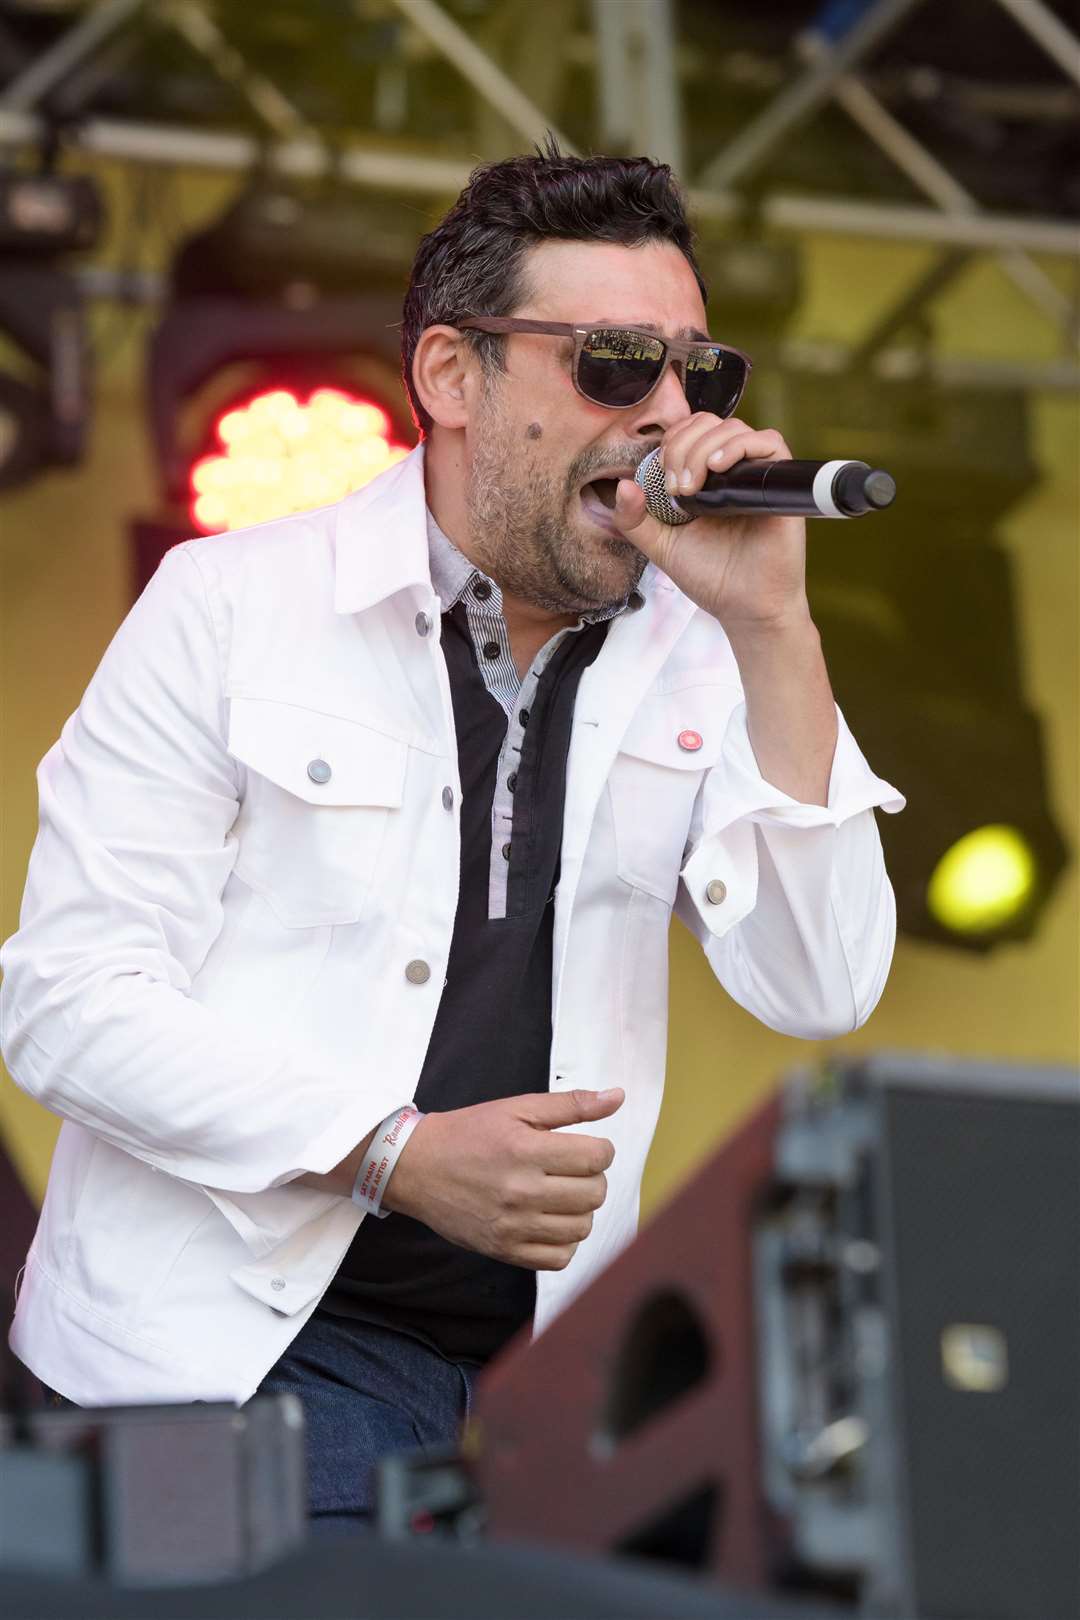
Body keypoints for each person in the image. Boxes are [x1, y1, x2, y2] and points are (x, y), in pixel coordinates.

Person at [0, 142, 904, 1533]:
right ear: (448, 377)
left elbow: (820, 982)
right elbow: (65, 1004)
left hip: (537, 1394)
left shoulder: (705, 653)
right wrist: (393, 1152)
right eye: (613, 364)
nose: (668, 416)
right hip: (226, 1362)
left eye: (697, 375)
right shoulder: (234, 605)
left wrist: (775, 632)